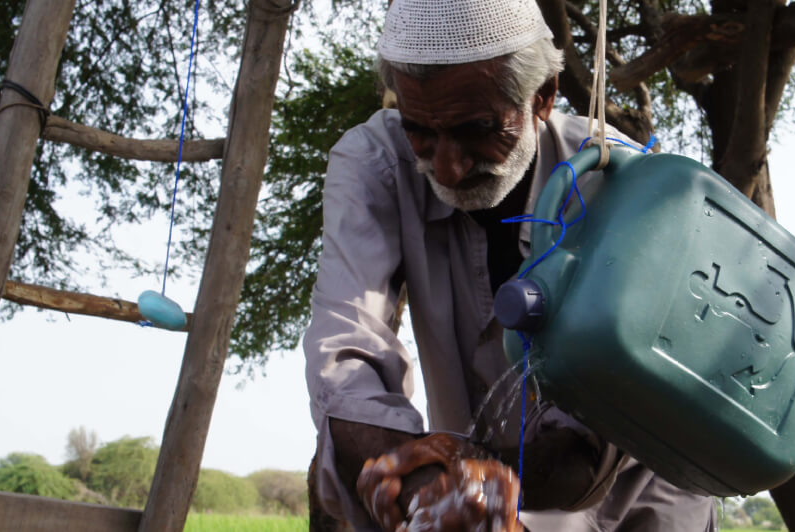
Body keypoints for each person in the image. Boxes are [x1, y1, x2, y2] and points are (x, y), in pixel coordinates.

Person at [302, 0, 716, 529]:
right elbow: (345, 351)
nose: (448, 168)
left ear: (543, 96)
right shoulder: (376, 162)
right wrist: (416, 483)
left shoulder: (625, 184)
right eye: (421, 132)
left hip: (640, 497)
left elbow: (584, 457)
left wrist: (460, 487)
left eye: (476, 128)